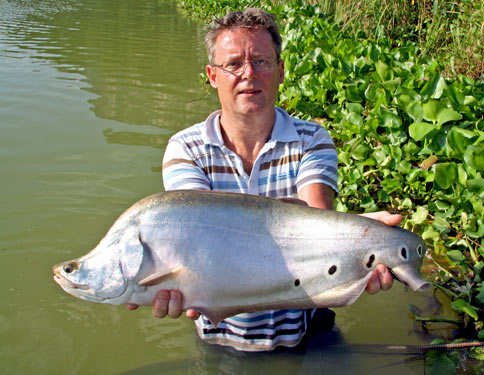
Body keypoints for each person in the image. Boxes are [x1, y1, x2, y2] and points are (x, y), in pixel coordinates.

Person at [127, 8, 400, 351]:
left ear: (281, 71)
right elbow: (194, 232)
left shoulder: (312, 139)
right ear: (212, 75)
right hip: (219, 336)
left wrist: (363, 237)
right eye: (233, 64)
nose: (249, 74)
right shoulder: (186, 148)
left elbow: (317, 224)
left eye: (262, 61)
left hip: (306, 330)